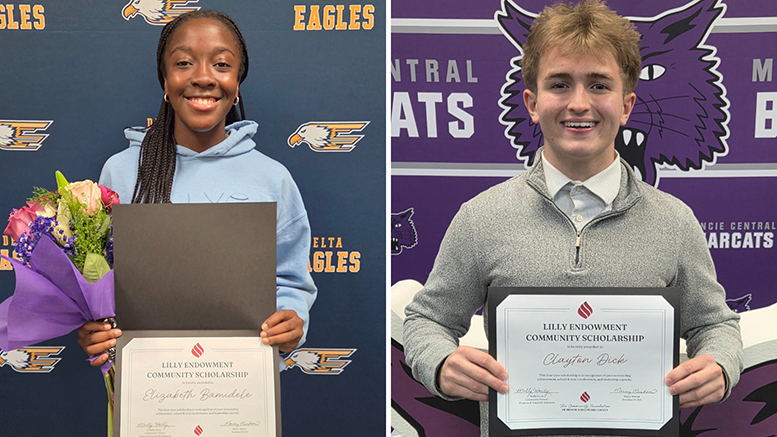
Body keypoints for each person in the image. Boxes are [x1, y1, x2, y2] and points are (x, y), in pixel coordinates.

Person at [402, 1, 743, 436]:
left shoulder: (674, 222)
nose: (579, 103)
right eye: (560, 84)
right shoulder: (481, 218)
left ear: (626, 105)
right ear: (532, 101)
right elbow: (427, 320)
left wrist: (720, 364)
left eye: (599, 85)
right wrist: (440, 362)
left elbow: (715, 323)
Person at [78, 10, 317, 364]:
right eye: (184, 63)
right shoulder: (122, 172)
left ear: (238, 83)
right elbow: (96, 281)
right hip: (146, 389)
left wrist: (292, 322)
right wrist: (93, 329)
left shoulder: (272, 179)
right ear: (165, 80)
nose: (203, 77)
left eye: (221, 65)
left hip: (239, 387)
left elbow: (291, 282)